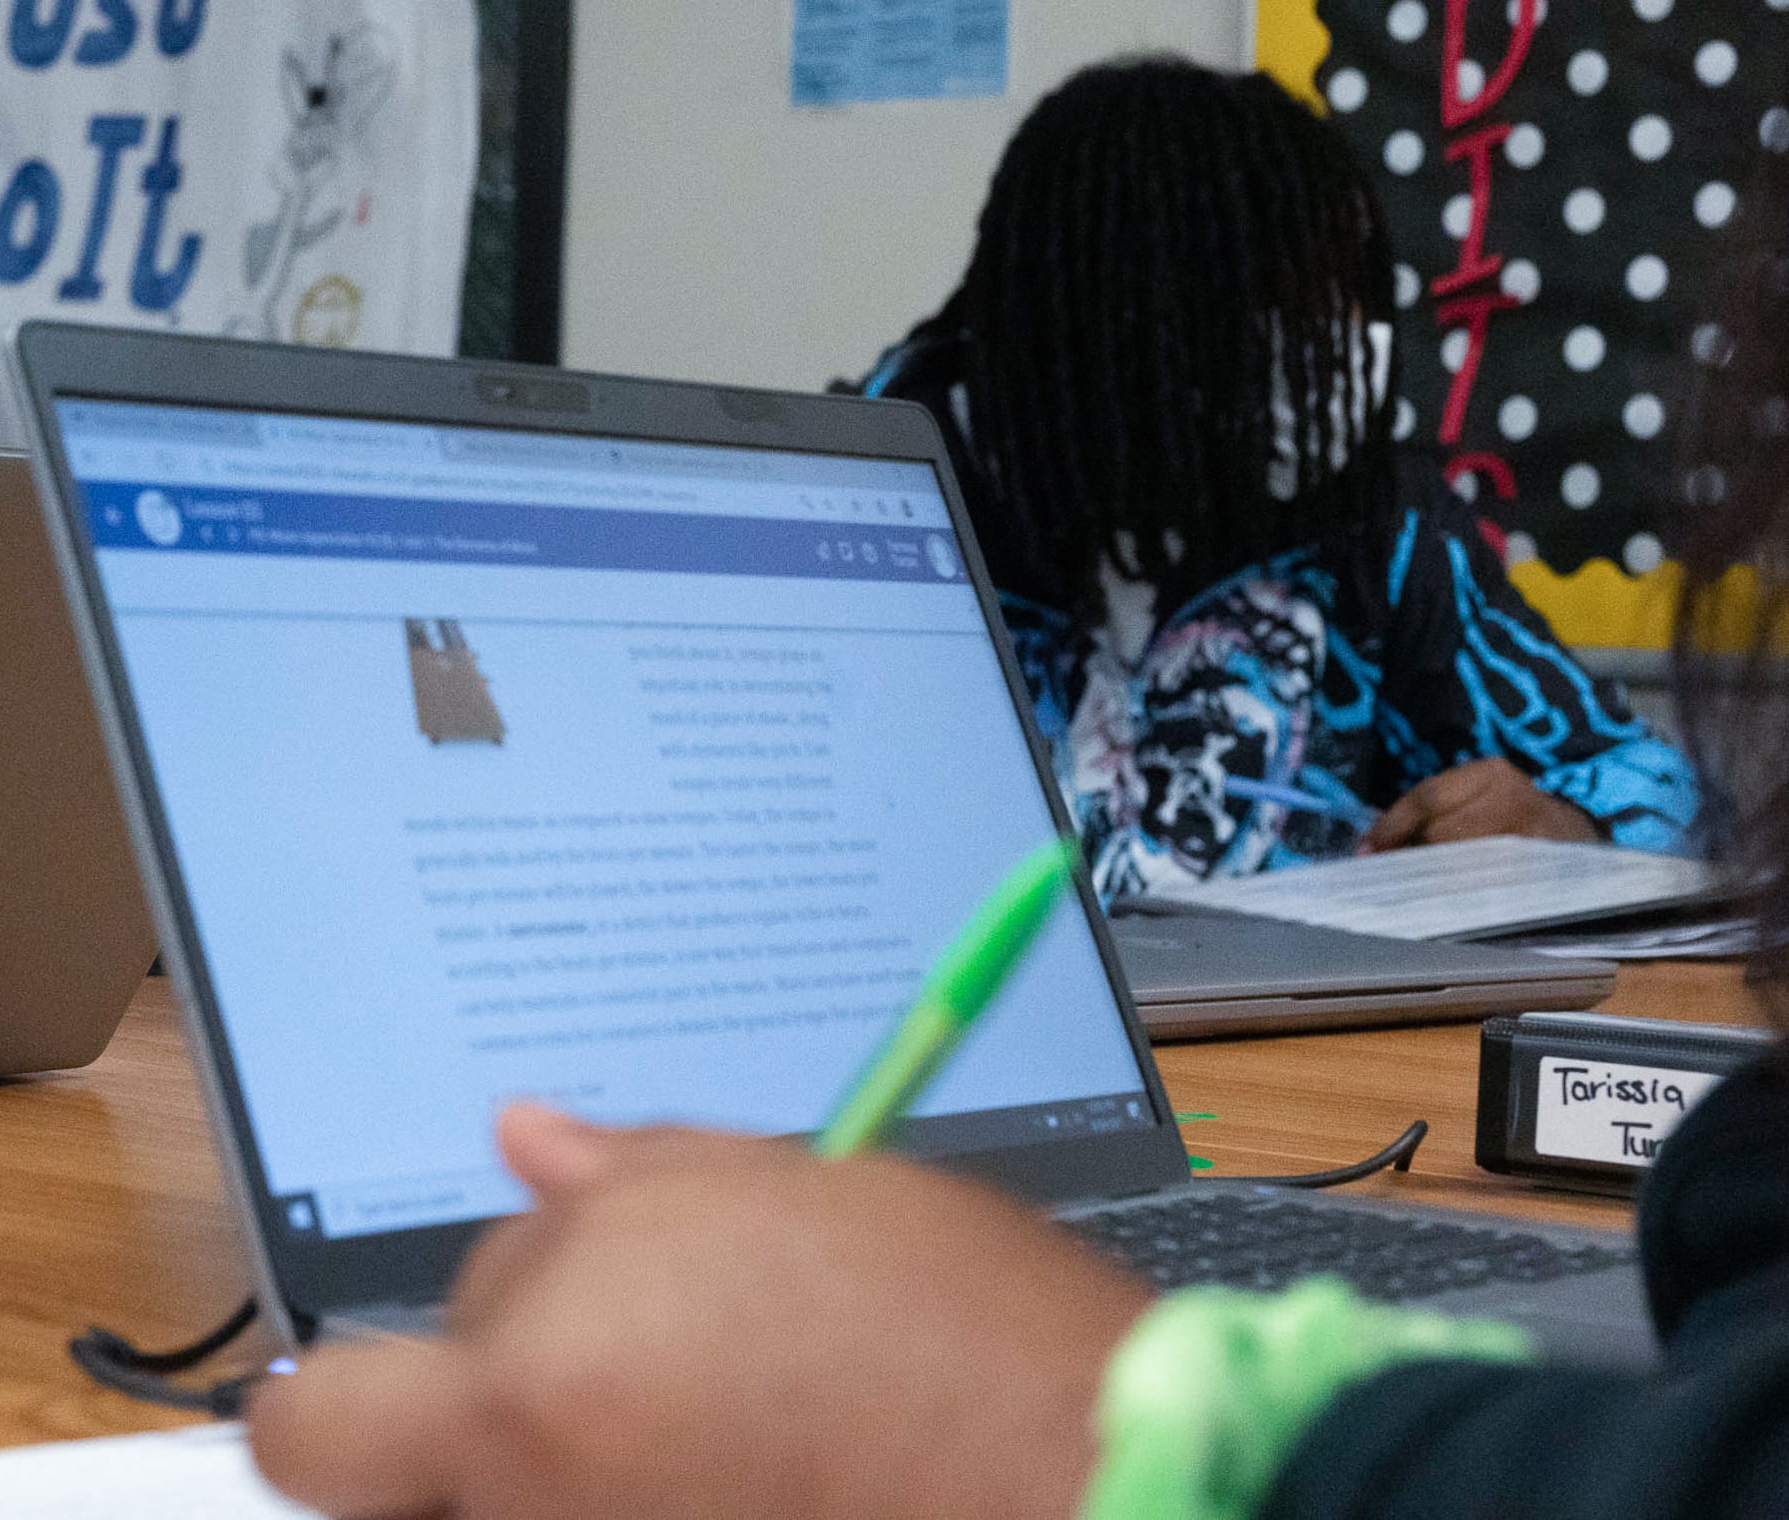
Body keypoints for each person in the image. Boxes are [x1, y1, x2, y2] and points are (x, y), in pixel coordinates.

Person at [249, 256, 1789, 1520]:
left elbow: (1650, 786)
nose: (1199, 411)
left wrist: (1572, 818)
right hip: (1045, 1059)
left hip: (1224, 1059)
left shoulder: (1370, 539)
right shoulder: (923, 480)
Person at [854, 59, 1695, 902]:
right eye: (1284, 308)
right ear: (1119, 322)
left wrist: (1568, 825)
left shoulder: (1380, 529)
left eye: (1349, 300)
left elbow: (1668, 794)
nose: (1348, 346)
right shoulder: (868, 501)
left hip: (1299, 1028)